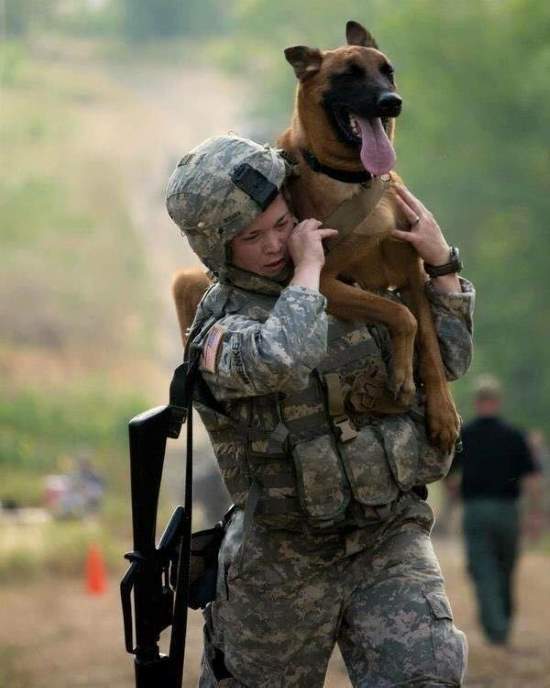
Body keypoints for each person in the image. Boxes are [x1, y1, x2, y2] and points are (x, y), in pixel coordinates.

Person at [166, 134, 475, 687]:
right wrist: (309, 274)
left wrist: (441, 263)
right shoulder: (218, 326)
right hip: (283, 558)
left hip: (386, 537)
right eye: (251, 237)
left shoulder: (352, 283)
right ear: (214, 247)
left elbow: (448, 363)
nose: (275, 245)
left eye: (283, 223)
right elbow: (275, 360)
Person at [451, 375, 543, 646]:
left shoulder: (464, 435)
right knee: (505, 567)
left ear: (478, 401)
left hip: (477, 510)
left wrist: (456, 497)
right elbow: (533, 480)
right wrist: (534, 515)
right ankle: (503, 621)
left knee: (483, 568)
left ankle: (497, 628)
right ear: (497, 401)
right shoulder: (515, 435)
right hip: (508, 511)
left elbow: (450, 475)